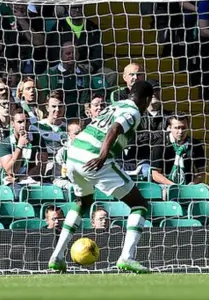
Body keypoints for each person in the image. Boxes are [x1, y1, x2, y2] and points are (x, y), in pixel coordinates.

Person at [48, 81, 154, 274]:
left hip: (73, 155)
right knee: (140, 205)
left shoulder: (117, 104)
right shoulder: (134, 112)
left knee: (83, 201)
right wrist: (103, 155)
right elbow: (115, 128)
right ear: (146, 100)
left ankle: (57, 256)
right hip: (93, 157)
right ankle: (127, 258)